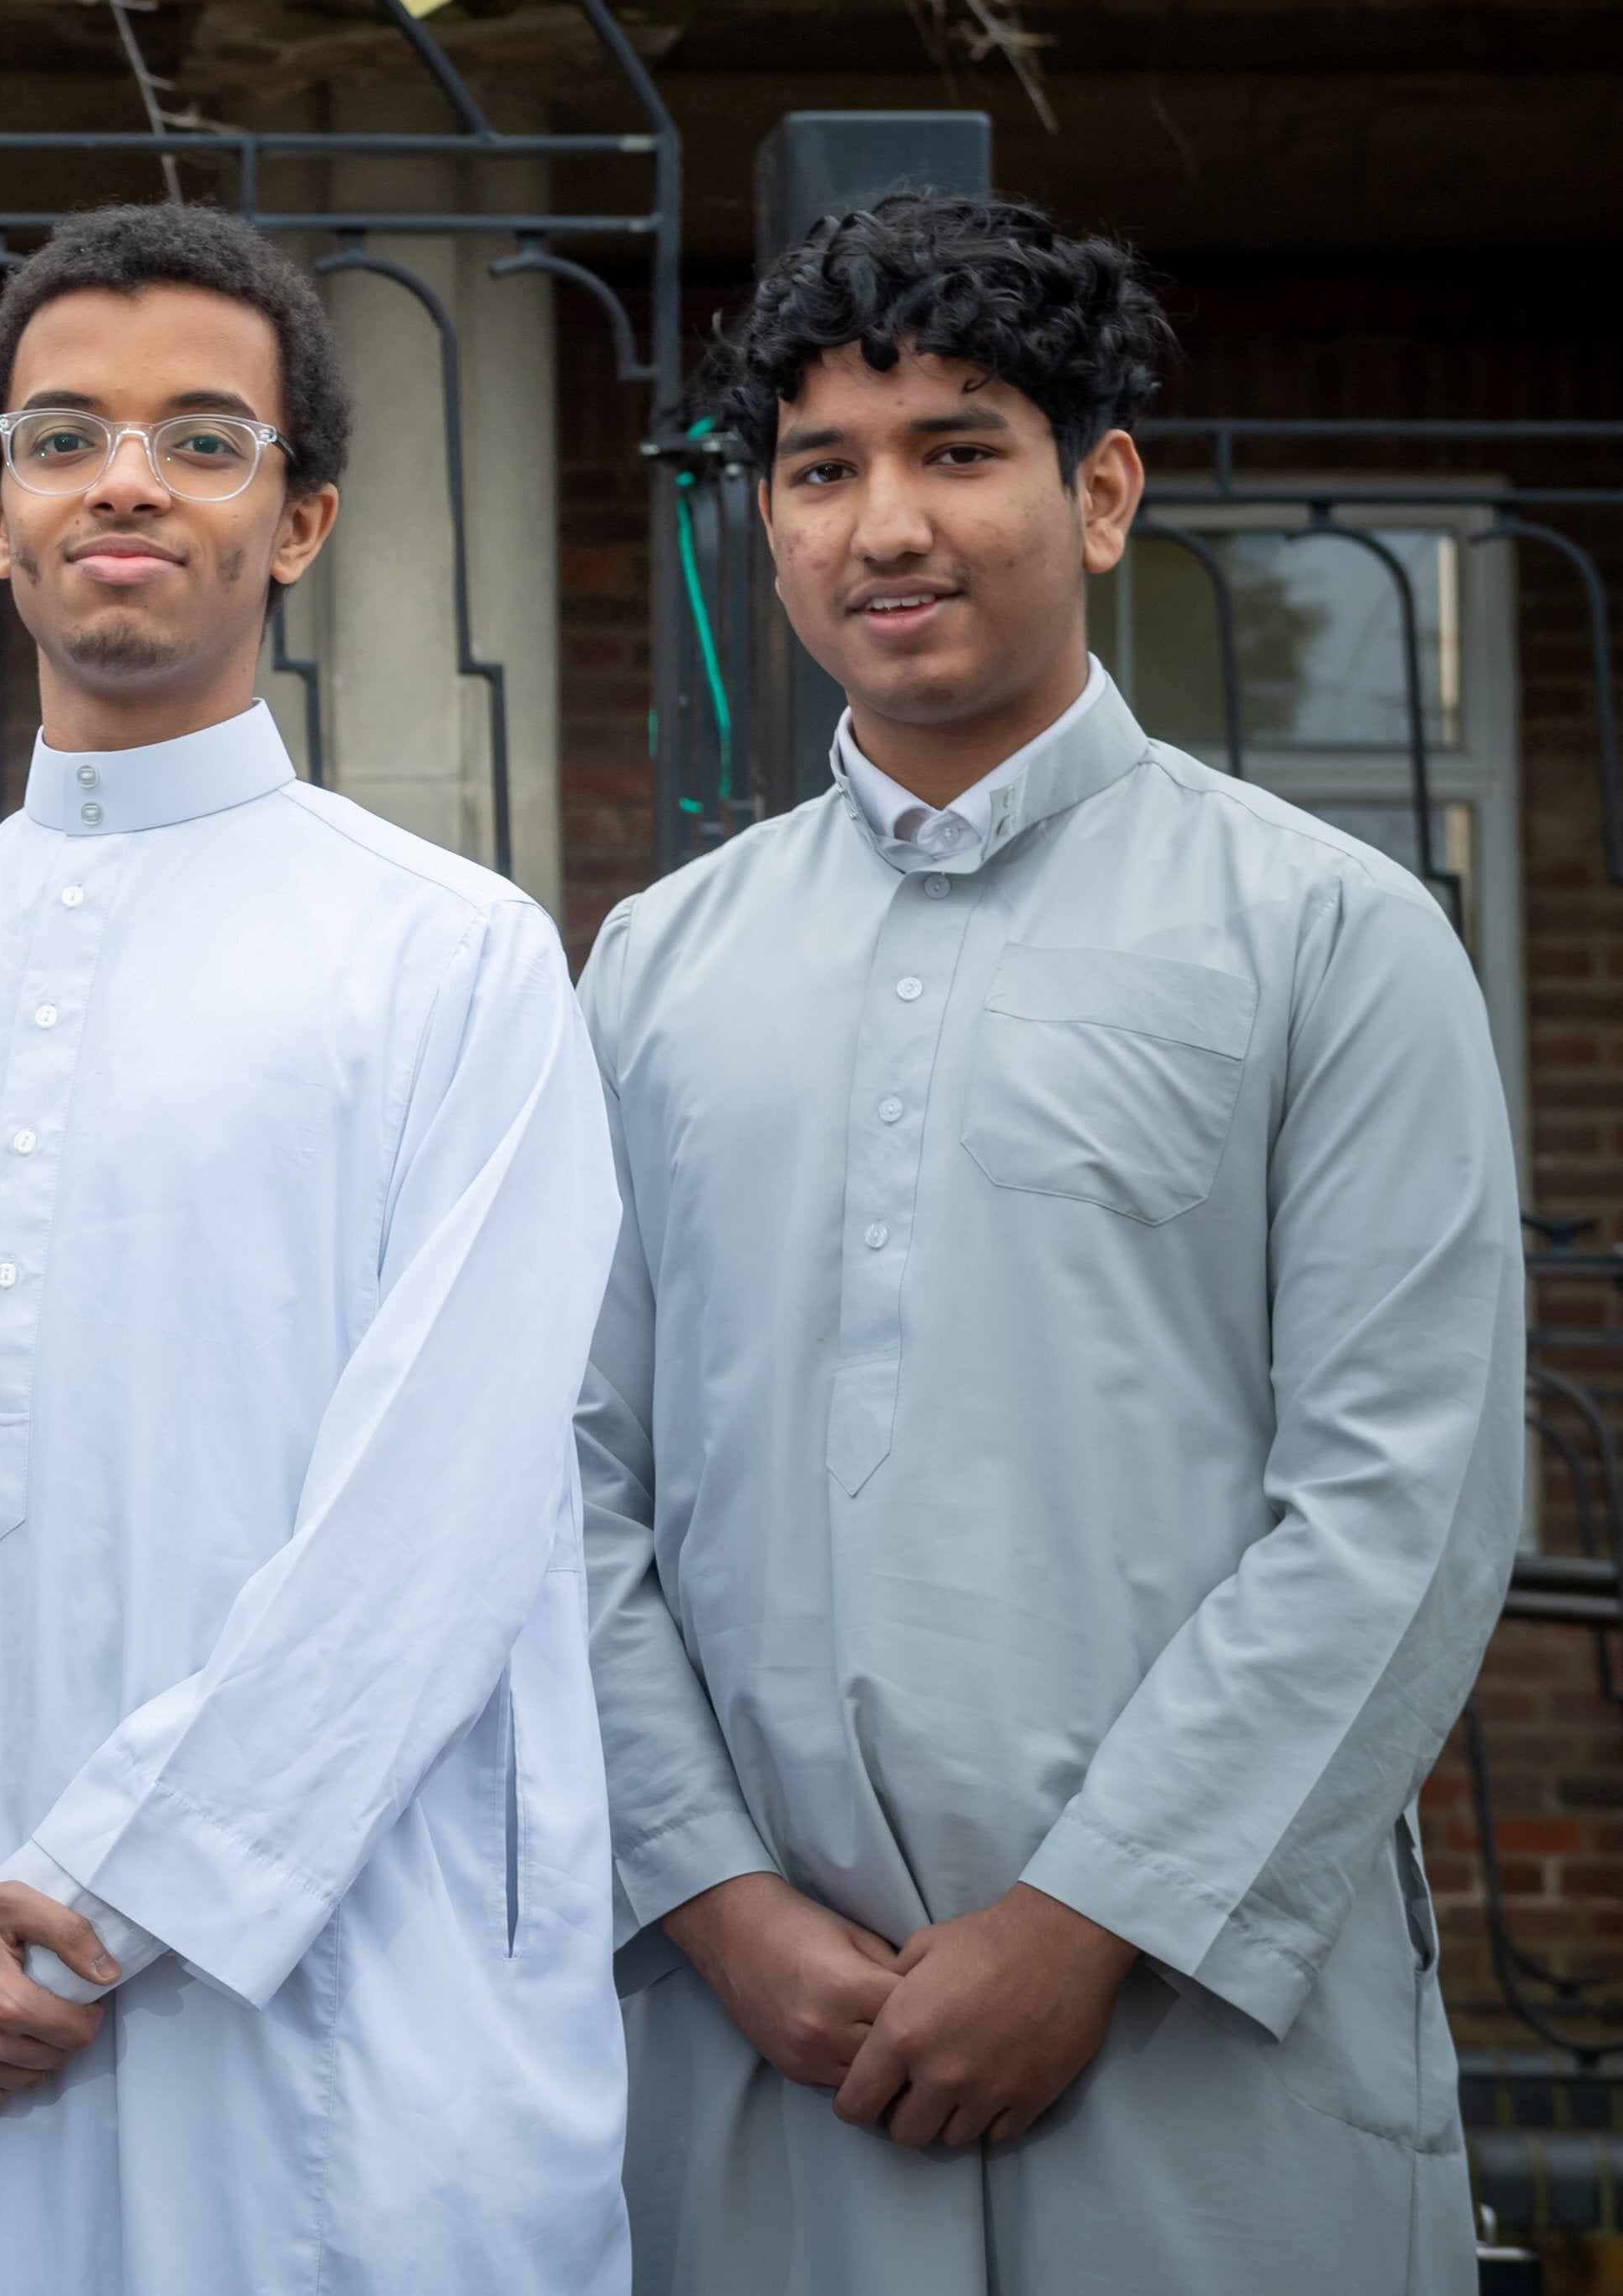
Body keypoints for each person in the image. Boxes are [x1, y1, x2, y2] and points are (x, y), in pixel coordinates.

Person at [0, 202, 634, 2293]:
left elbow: (430, 1529)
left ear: (296, 523)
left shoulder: (449, 962)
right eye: (63, 437)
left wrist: (93, 1903)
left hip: (300, 2012)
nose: (125, 478)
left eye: (203, 440)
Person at [577, 195, 1519, 2295]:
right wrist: (711, 1895)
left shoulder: (1322, 935)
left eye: (956, 449)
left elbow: (1405, 1497)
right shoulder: (654, 971)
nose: (879, 523)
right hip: (760, 2046)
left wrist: (1091, 1920)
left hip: (1198, 2034)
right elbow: (565, 1484)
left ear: (1097, 493)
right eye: (816, 471)